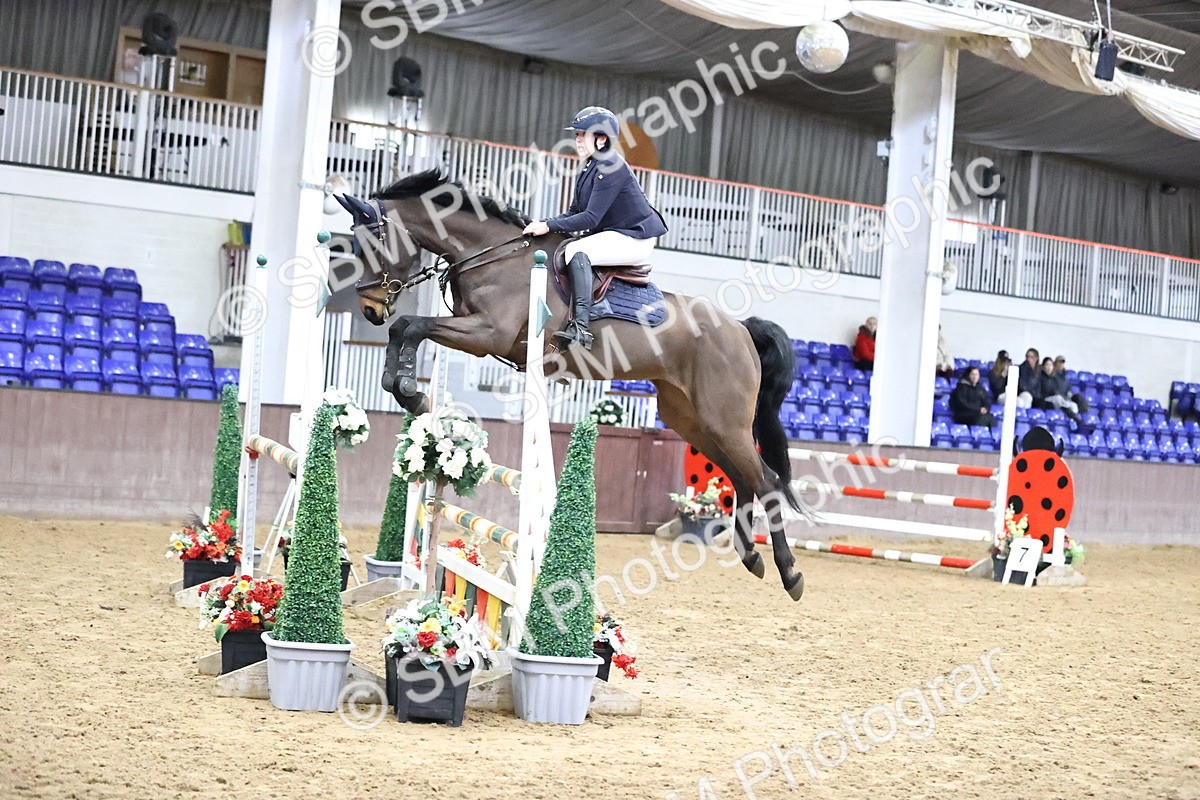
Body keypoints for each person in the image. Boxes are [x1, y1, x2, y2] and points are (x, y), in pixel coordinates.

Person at [522, 106, 668, 350]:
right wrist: (542, 223)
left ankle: (580, 328)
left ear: (601, 138)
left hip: (635, 238)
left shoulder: (610, 166)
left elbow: (589, 218)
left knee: (576, 252)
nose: (578, 140)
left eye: (583, 135)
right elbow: (574, 213)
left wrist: (548, 225)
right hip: (616, 233)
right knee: (566, 245)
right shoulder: (591, 166)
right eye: (577, 135)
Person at [1032, 356, 1087, 429]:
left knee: (1072, 405)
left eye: (1050, 365)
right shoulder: (1040, 377)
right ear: (1043, 366)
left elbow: (1060, 391)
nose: (1049, 367)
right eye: (1047, 365)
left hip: (1057, 400)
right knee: (1058, 399)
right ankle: (1076, 419)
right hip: (1044, 399)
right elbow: (1038, 392)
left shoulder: (1055, 378)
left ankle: (1076, 423)